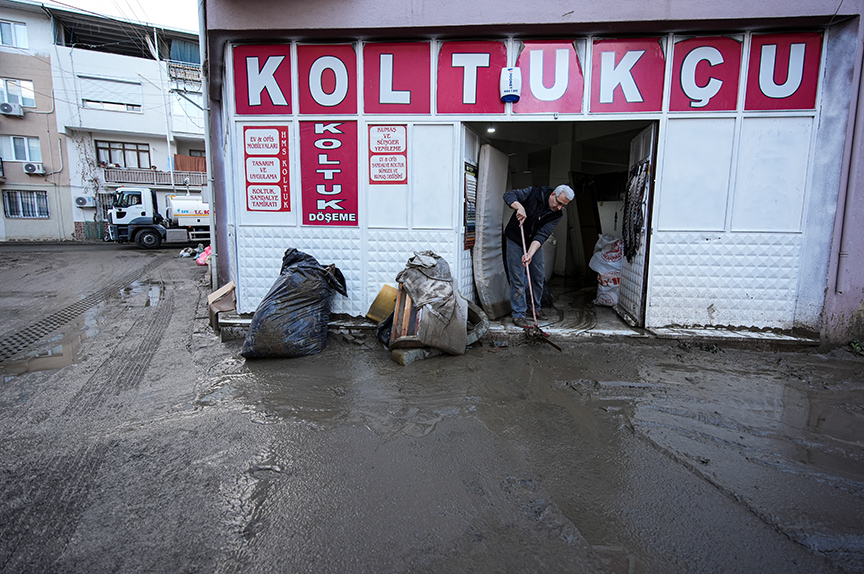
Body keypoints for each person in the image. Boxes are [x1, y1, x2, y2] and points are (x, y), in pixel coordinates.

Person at [503, 184, 574, 328]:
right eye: (559, 203)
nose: (559, 208)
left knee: (538, 274)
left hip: (533, 242)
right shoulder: (533, 193)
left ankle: (534, 307)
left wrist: (529, 254)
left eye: (563, 206)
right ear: (553, 194)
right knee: (517, 276)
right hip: (515, 238)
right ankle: (519, 314)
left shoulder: (557, 215)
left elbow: (542, 235)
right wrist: (519, 207)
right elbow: (508, 195)